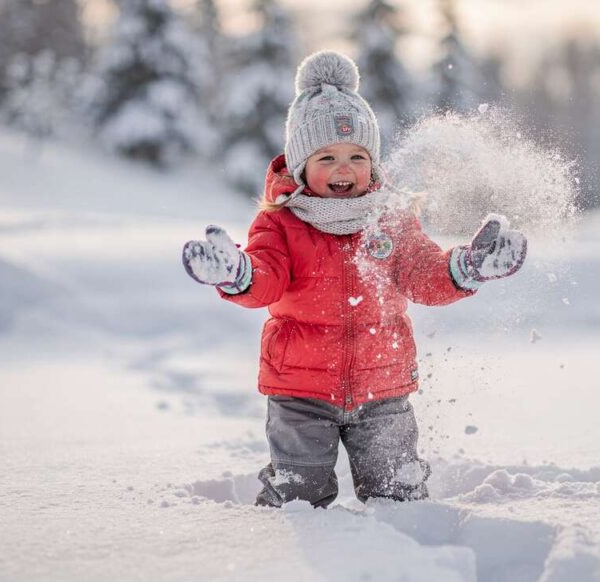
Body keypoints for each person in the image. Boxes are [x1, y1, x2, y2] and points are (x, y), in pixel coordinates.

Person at [182, 51, 527, 508]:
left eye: (356, 156)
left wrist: (466, 267)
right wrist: (236, 274)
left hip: (382, 390)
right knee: (298, 495)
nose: (344, 168)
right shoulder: (281, 224)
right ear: (301, 165)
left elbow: (425, 275)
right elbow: (265, 279)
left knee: (398, 493)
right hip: (300, 393)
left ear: (374, 163)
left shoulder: (390, 219)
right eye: (327, 157)